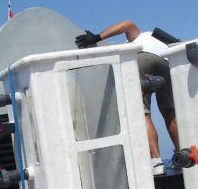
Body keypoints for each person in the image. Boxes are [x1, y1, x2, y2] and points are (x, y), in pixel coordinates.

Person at [76, 20, 179, 175]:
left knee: (142, 112)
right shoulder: (159, 40)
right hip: (166, 62)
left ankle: (156, 161)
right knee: (169, 112)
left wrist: (96, 37)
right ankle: (180, 157)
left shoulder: (138, 38)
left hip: (143, 58)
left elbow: (127, 24)